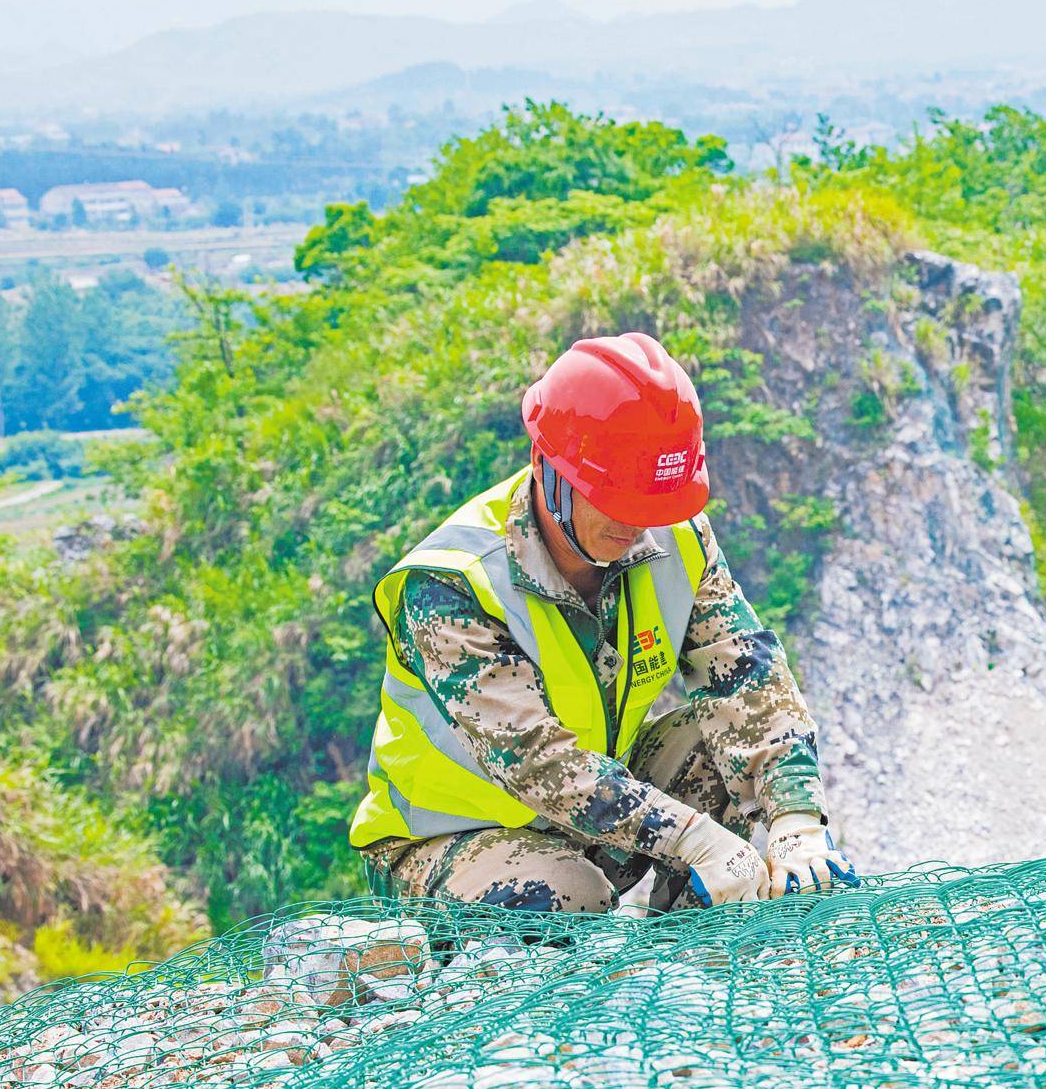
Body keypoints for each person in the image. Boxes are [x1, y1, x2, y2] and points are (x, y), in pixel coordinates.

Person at [350, 331, 857, 913]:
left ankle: (699, 960)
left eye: (652, 504)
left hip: (592, 820)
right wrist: (693, 839)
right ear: (545, 467)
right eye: (618, 500)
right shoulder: (451, 584)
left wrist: (796, 820)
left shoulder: (675, 533)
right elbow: (536, 760)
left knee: (717, 742)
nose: (638, 526)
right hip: (443, 842)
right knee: (564, 894)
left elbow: (745, 674)